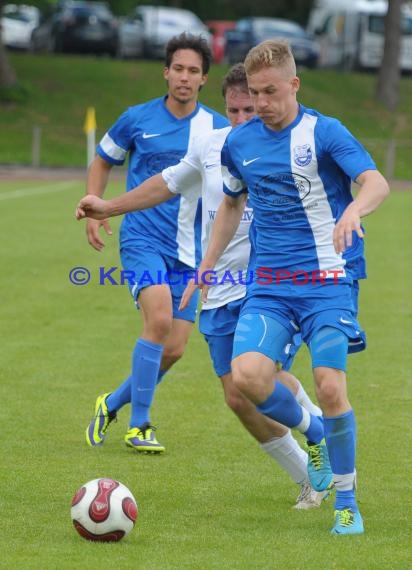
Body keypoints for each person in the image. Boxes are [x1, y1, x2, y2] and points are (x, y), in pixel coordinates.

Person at [77, 63, 329, 509]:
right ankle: (310, 477)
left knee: (260, 375)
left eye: (250, 109)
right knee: (237, 396)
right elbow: (165, 184)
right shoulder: (211, 147)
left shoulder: (294, 147)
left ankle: (325, 443)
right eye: (233, 110)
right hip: (218, 288)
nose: (241, 120)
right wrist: (108, 206)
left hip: (269, 286)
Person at [178, 40, 389, 535]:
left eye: (270, 92)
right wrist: (208, 266)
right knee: (247, 377)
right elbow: (231, 203)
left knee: (330, 385)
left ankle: (345, 501)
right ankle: (314, 431)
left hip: (327, 281)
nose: (262, 104)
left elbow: (374, 181)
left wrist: (355, 210)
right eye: (255, 93)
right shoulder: (241, 143)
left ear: (294, 85)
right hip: (270, 284)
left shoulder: (324, 132)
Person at [83, 32, 229, 453]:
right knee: (160, 320)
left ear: (204, 79)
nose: (185, 77)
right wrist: (97, 212)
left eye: (194, 71)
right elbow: (103, 159)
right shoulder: (137, 119)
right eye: (178, 69)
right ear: (166, 72)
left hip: (191, 251)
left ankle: (109, 404)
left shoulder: (217, 128)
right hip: (142, 239)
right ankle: (139, 424)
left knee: (176, 348)